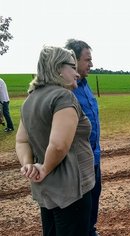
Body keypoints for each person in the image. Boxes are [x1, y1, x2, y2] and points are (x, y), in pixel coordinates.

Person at [15, 46, 95, 235]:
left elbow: (21, 141)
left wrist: (29, 165)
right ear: (58, 68)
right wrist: (45, 168)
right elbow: (59, 145)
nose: (76, 73)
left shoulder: (30, 99)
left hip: (46, 189)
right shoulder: (63, 97)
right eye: (72, 67)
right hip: (72, 191)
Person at [65, 39, 101, 236]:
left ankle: (90, 229)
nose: (91, 64)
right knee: (80, 207)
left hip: (95, 155)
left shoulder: (85, 85)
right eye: (87, 59)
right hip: (78, 162)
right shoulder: (66, 89)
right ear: (73, 60)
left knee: (94, 199)